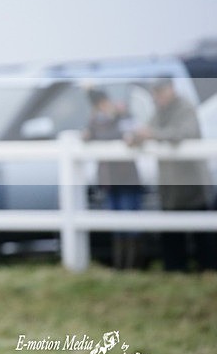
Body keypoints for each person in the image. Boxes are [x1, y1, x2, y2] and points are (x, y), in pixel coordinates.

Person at [126, 78, 216, 271]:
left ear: (170, 90)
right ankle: (175, 269)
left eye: (160, 92)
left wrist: (152, 134)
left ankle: (207, 268)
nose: (157, 97)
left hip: (192, 184)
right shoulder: (159, 111)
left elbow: (181, 133)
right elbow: (147, 130)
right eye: (155, 93)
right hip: (171, 186)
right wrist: (135, 137)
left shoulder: (185, 107)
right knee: (172, 232)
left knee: (202, 233)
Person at [82, 89, 143, 269]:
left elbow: (127, 135)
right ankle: (120, 265)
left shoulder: (123, 116)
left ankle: (133, 265)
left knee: (130, 223)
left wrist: (115, 116)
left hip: (127, 179)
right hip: (109, 180)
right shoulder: (96, 120)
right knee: (116, 225)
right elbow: (88, 136)